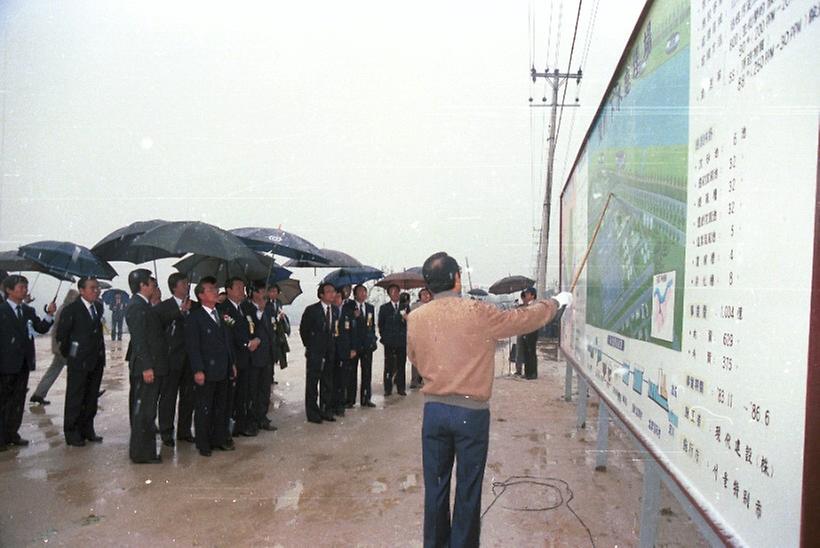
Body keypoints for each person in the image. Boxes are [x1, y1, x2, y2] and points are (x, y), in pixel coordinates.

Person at [407, 252, 572, 547]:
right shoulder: (477, 312)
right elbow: (523, 319)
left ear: (429, 285)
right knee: (468, 490)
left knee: (435, 488)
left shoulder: (416, 317)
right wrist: (555, 303)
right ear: (457, 278)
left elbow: (415, 360)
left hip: (433, 411)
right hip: (471, 414)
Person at [0, 275, 56, 450]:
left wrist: (49, 314)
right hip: (5, 363)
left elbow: (41, 328)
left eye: (26, 287)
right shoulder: (2, 311)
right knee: (3, 402)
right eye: (21, 287)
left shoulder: (28, 311)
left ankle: (12, 434)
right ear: (9, 290)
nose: (24, 290)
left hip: (23, 363)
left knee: (18, 401)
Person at [185, 276, 236, 457]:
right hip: (206, 370)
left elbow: (227, 342)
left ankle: (219, 439)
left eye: (215, 289)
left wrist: (232, 364)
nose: (215, 292)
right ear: (200, 295)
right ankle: (203, 443)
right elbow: (193, 346)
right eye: (210, 290)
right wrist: (198, 369)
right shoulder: (195, 317)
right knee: (204, 408)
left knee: (221, 407)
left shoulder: (221, 314)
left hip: (223, 368)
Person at [56, 277, 105, 447]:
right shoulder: (71, 309)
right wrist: (73, 355)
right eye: (92, 288)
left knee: (91, 398)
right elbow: (62, 336)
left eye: (97, 288)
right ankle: (72, 432)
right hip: (78, 362)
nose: (96, 291)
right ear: (82, 290)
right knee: (75, 397)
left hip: (96, 360)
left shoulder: (98, 307)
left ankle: (87, 429)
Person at [125, 270, 166, 463]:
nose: (154, 287)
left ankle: (145, 451)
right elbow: (139, 340)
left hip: (150, 365)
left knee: (148, 411)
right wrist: (147, 367)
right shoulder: (136, 306)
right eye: (151, 283)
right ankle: (142, 453)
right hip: (145, 368)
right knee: (144, 412)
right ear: (142, 285)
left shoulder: (144, 305)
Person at [153, 272, 195, 446]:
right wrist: (179, 312)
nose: (187, 286)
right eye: (183, 284)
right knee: (168, 397)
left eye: (187, 283)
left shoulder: (195, 306)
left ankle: (184, 431)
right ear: (174, 287)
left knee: (188, 397)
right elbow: (159, 328)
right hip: (171, 360)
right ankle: (166, 432)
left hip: (190, 360)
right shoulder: (163, 307)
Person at [218, 277, 259, 437]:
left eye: (243, 288)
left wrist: (256, 339)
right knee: (232, 396)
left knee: (245, 392)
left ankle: (243, 423)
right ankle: (232, 426)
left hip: (248, 357)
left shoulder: (246, 307)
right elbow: (231, 332)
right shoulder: (224, 309)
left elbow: (254, 326)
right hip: (235, 357)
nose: (242, 291)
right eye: (239, 288)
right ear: (228, 290)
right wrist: (246, 343)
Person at [30, 289, 80, 405]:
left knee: (53, 371)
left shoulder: (63, 308)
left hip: (58, 346)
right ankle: (85, 392)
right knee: (77, 369)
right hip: (64, 347)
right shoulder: (67, 310)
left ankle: (38, 394)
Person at [299, 282, 338, 424]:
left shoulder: (335, 310)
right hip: (315, 352)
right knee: (312, 383)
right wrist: (310, 346)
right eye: (329, 291)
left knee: (327, 382)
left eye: (333, 291)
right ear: (321, 294)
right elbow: (304, 330)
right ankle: (312, 413)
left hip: (330, 352)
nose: (332, 294)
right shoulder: (311, 310)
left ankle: (326, 410)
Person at [242, 280, 278, 431]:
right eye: (262, 291)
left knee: (265, 389)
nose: (265, 294)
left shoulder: (269, 308)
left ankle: (263, 416)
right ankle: (251, 419)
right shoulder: (246, 308)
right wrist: (260, 312)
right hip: (253, 356)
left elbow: (272, 329)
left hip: (267, 355)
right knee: (253, 390)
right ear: (254, 293)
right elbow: (249, 330)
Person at [347, 284, 376, 408]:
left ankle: (366, 398)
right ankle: (350, 399)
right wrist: (355, 316)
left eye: (364, 291)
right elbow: (347, 324)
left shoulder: (370, 307)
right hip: (354, 345)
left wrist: (373, 339)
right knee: (352, 374)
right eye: (360, 292)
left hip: (367, 345)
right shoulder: (349, 306)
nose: (363, 294)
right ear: (355, 294)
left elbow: (371, 325)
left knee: (367, 373)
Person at [378, 283, 408, 396]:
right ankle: (388, 388)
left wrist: (405, 318)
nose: (395, 294)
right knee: (388, 366)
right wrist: (384, 337)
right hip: (389, 341)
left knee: (401, 365)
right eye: (393, 292)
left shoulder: (404, 307)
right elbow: (381, 324)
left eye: (397, 291)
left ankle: (401, 388)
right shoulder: (384, 308)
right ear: (389, 294)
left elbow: (409, 323)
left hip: (401, 341)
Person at [332, 289, 355, 416]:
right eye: (334, 296)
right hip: (331, 350)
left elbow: (353, 332)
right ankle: (330, 405)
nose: (336, 299)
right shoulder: (329, 311)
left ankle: (341, 406)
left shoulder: (347, 312)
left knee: (343, 379)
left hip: (345, 350)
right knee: (331, 379)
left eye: (339, 297)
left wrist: (353, 348)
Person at [408, 288, 432, 388]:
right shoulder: (415, 306)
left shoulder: (434, 306)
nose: (426, 296)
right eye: (423, 294)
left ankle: (426, 379)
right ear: (420, 296)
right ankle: (415, 380)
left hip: (430, 337)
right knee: (416, 360)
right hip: (417, 337)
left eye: (427, 294)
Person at [266, 284, 290, 379]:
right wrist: (276, 318)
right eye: (271, 291)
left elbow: (279, 312)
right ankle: (269, 376)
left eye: (275, 291)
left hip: (278, 331)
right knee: (271, 354)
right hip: (270, 330)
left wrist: (281, 317)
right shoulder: (266, 303)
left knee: (278, 353)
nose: (273, 293)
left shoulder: (279, 302)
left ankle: (272, 376)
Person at [520, 287, 540, 379]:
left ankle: (533, 373)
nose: (526, 295)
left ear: (532, 295)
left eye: (528, 294)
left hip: (532, 331)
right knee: (526, 352)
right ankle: (527, 372)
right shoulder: (528, 305)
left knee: (531, 352)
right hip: (526, 330)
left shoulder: (535, 305)